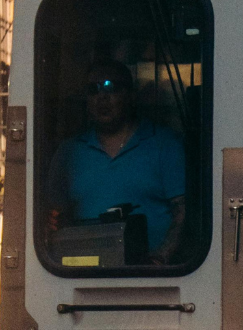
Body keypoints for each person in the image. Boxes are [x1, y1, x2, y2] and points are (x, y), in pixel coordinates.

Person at [47, 60, 189, 265]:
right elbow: (53, 219)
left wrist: (159, 259)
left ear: (131, 96)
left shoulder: (164, 144)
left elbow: (183, 213)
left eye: (111, 87)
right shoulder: (69, 152)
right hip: (85, 277)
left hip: (155, 278)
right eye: (93, 90)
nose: (102, 97)